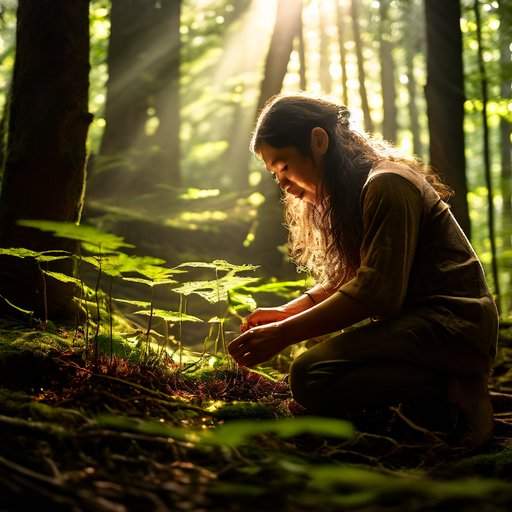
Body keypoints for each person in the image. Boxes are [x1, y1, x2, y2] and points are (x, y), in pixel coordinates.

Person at [228, 93, 498, 448]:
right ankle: (440, 395)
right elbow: (353, 278)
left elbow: (377, 292)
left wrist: (282, 334)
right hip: (420, 327)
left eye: (283, 166)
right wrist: (286, 312)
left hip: (452, 325)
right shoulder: (359, 192)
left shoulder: (388, 183)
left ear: (318, 141)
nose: (281, 182)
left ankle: (456, 389)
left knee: (310, 374)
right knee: (318, 370)